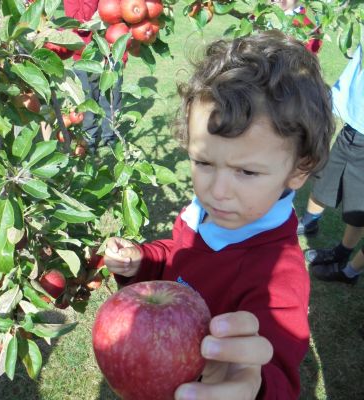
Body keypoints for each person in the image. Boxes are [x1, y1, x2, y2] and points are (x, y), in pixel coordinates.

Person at [103, 30, 334, 399]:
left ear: (298, 169)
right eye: (204, 162)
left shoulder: (277, 276)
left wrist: (252, 387)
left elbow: (275, 370)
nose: (218, 190)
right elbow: (179, 256)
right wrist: (144, 260)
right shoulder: (203, 214)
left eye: (247, 171)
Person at [298, 45, 364, 284]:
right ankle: (309, 223)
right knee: (324, 180)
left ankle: (344, 259)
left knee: (358, 209)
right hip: (352, 128)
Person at [63, 0, 122, 149]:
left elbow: (121, 20)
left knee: (112, 100)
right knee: (87, 102)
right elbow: (79, 24)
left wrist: (123, 56)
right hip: (85, 58)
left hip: (112, 54)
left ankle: (110, 137)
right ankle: (89, 140)